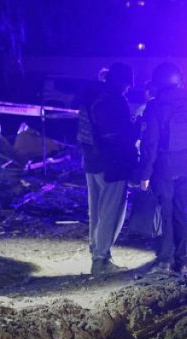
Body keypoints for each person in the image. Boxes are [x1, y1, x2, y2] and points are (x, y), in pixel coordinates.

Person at [137, 62, 187, 275]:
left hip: (163, 169)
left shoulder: (155, 107)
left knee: (165, 214)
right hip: (185, 167)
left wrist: (144, 174)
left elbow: (150, 144)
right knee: (180, 212)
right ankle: (181, 261)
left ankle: (164, 259)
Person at [77, 63, 137, 276]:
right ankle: (101, 260)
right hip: (112, 164)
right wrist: (137, 127)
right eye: (127, 83)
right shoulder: (115, 100)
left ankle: (97, 253)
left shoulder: (92, 96)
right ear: (121, 81)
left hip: (91, 162)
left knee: (96, 211)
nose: (128, 88)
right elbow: (119, 135)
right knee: (111, 212)